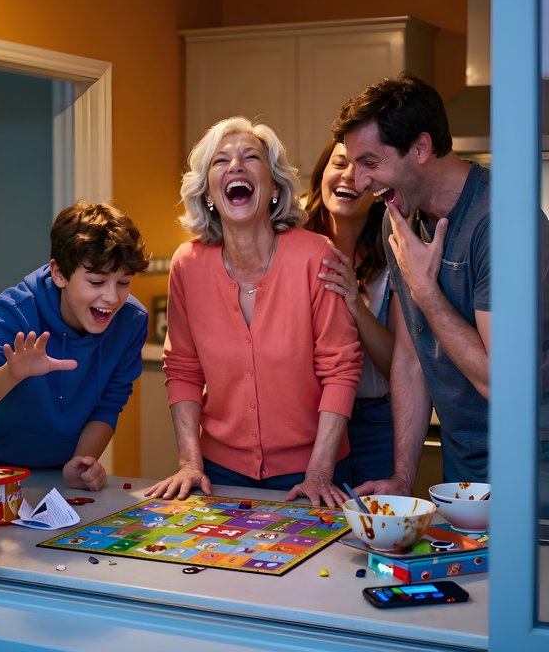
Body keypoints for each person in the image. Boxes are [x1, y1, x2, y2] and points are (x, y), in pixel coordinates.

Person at [145, 116, 362, 508]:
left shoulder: (315, 256)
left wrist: (318, 472)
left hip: (313, 475)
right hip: (218, 475)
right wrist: (190, 461)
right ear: (209, 193)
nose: (235, 167)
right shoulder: (187, 265)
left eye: (250, 157)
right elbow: (182, 368)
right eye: (220, 161)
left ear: (275, 187)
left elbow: (341, 368)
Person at [332, 71, 489, 493]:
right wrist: (403, 477)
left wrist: (425, 292)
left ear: (420, 147)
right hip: (464, 458)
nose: (359, 182)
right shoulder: (396, 219)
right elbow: (410, 358)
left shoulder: (496, 222)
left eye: (370, 162)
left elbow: (500, 380)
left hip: (535, 455)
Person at [0, 200, 150, 491]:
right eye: (97, 281)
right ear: (59, 273)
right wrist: (11, 374)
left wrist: (81, 463)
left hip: (61, 476)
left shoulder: (131, 322)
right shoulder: (12, 313)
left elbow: (109, 405)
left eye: (123, 283)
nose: (112, 298)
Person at [304, 139, 396, 486]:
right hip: (309, 421)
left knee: (376, 531)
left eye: (364, 168)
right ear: (322, 174)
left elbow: (394, 363)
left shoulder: (394, 255)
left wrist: (354, 302)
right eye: (340, 164)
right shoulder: (289, 245)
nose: (350, 177)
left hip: (374, 423)